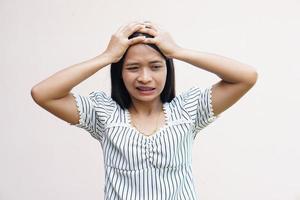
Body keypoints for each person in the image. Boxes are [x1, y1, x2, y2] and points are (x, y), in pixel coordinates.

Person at [31, 21, 258, 200]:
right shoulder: (103, 114)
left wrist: (178, 51)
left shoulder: (188, 111)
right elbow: (43, 93)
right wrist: (108, 56)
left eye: (156, 66)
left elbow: (246, 77)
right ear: (120, 73)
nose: (145, 78)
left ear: (167, 69)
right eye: (132, 68)